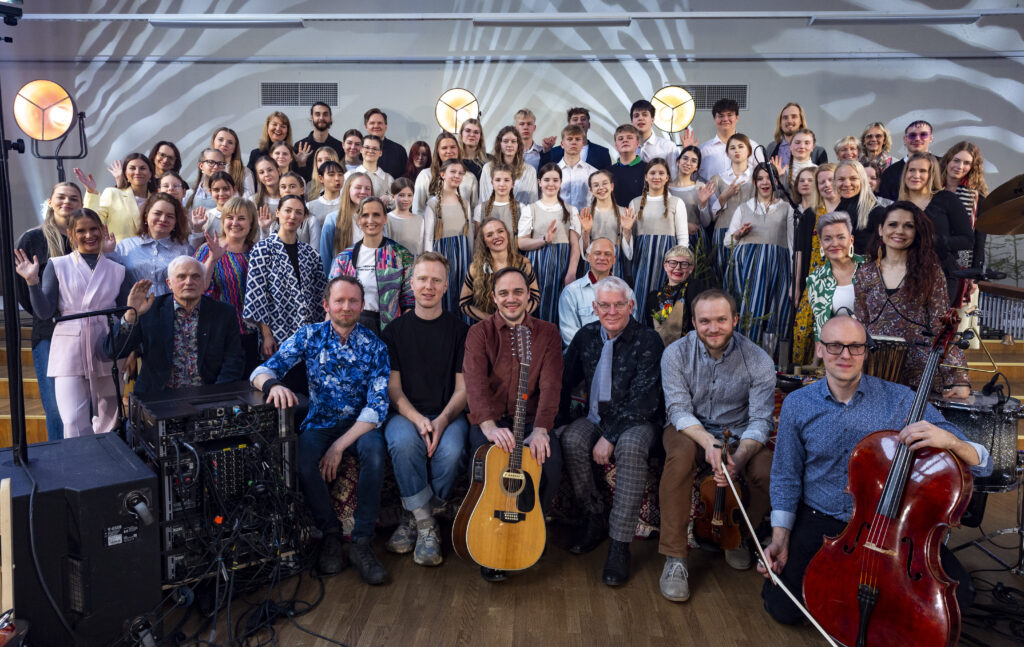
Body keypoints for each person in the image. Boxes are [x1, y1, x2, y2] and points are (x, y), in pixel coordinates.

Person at [760, 315, 991, 625]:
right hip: (821, 520)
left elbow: (981, 461)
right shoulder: (797, 404)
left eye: (855, 346)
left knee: (956, 604)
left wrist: (950, 441)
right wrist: (779, 539)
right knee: (783, 608)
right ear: (819, 350)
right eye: (835, 346)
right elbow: (786, 477)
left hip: (892, 527)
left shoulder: (900, 400)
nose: (845, 355)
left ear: (865, 352)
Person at [251, 275, 390, 583]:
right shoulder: (309, 335)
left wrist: (339, 447)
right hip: (320, 421)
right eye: (339, 300)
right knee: (301, 461)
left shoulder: (376, 346)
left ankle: (362, 542)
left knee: (376, 456)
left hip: (360, 426)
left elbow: (377, 405)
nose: (346, 306)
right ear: (326, 305)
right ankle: (329, 532)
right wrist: (274, 385)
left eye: (353, 301)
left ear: (362, 305)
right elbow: (261, 371)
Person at [658, 289, 775, 602]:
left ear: (734, 320)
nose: (713, 328)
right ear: (693, 323)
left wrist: (738, 455)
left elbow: (762, 420)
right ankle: (675, 557)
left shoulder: (758, 360)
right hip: (689, 429)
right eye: (705, 321)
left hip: (738, 433)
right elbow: (678, 410)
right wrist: (708, 443)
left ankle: (738, 538)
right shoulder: (675, 354)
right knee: (681, 457)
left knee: (766, 469)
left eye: (721, 320)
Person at [559, 276, 663, 586]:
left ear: (631, 305)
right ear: (594, 307)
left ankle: (619, 545)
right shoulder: (586, 336)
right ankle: (594, 517)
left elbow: (644, 401)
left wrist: (610, 436)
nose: (612, 311)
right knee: (572, 439)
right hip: (595, 416)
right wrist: (558, 419)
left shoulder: (648, 340)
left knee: (630, 447)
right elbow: (564, 380)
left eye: (619, 304)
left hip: (638, 421)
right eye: (604, 305)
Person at [462, 266, 564, 582]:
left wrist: (542, 430)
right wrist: (490, 428)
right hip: (491, 422)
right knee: (485, 465)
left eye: (518, 292)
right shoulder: (479, 333)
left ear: (529, 297)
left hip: (531, 420)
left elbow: (551, 386)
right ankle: (489, 537)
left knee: (550, 463)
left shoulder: (547, 333)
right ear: (493, 298)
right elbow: (475, 385)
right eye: (503, 293)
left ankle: (531, 528)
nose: (511, 299)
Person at [380, 253, 469, 566]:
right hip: (406, 414)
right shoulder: (393, 332)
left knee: (453, 450)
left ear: (446, 286)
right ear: (411, 283)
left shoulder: (461, 331)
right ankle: (427, 525)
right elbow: (393, 389)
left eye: (435, 280)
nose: (428, 286)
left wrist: (442, 422)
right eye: (422, 279)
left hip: (448, 413)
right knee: (404, 444)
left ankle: (413, 516)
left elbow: (463, 390)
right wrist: (418, 420)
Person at [17, 208, 135, 437]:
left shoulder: (118, 270)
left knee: (109, 417)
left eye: (93, 229)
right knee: (71, 419)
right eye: (81, 231)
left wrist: (130, 349)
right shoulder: (57, 264)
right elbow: (44, 312)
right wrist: (32, 281)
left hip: (107, 344)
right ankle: (81, 469)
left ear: (102, 230)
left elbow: (127, 314)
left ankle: (107, 467)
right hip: (69, 347)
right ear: (70, 234)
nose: (89, 235)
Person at [854, 201, 970, 396]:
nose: (900, 231)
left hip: (919, 375)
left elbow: (942, 328)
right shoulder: (865, 273)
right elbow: (861, 326)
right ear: (881, 230)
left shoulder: (931, 272)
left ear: (916, 232)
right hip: (875, 371)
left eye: (908, 226)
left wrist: (958, 378)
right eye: (893, 224)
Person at [108, 255, 244, 396]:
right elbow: (113, 351)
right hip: (159, 399)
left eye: (195, 277)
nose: (188, 282)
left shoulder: (223, 313)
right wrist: (130, 315)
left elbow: (233, 359)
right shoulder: (150, 310)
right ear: (169, 283)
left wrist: (217, 396)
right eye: (181, 277)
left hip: (207, 397)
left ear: (204, 282)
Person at [15, 182, 80, 440]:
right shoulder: (32, 239)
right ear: (51, 201)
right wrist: (48, 311)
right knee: (55, 410)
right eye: (61, 197)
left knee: (81, 411)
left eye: (73, 198)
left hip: (83, 333)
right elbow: (24, 294)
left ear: (81, 204)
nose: (67, 202)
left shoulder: (85, 235)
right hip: (48, 334)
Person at [244, 195, 327, 378]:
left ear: (304, 218)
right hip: (276, 332)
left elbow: (320, 295)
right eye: (288, 210)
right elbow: (257, 294)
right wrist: (266, 335)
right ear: (278, 213)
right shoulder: (262, 249)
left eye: (298, 212)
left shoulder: (310, 254)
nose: (292, 216)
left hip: (307, 334)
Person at [724, 163, 794, 352]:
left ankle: (771, 360)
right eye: (760, 178)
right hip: (747, 266)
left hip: (776, 267)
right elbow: (727, 242)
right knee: (749, 309)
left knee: (775, 312)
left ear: (776, 181)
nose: (765, 182)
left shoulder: (786, 208)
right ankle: (743, 354)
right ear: (754, 182)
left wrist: (793, 278)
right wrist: (738, 234)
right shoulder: (743, 207)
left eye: (769, 178)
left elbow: (791, 243)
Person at [329, 196, 414, 335]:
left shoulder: (401, 255)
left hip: (390, 329)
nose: (370, 220)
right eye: (365, 215)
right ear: (358, 220)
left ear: (385, 218)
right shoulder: (344, 258)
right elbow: (332, 299)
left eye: (376, 215)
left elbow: (410, 300)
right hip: (352, 328)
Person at [195, 196, 261, 372]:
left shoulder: (257, 251)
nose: (235, 223)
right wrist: (212, 260)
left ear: (251, 223)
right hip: (217, 333)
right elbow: (198, 289)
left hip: (251, 334)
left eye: (241, 218)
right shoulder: (207, 249)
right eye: (230, 218)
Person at [898, 152, 974, 300]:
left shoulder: (947, 199)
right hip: (904, 275)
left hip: (941, 274)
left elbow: (968, 240)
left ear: (931, 174)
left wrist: (935, 240)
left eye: (922, 171)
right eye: (911, 170)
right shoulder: (899, 206)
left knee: (936, 323)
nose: (915, 175)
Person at [623, 158, 689, 318]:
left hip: (668, 263)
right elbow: (629, 246)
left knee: (665, 305)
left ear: (667, 177)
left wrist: (679, 266)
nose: (656, 177)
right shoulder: (635, 203)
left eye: (661, 173)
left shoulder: (676, 202)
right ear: (646, 177)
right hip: (642, 262)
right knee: (640, 300)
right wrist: (626, 231)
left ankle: (663, 336)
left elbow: (683, 239)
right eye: (652, 173)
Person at [517, 163, 582, 323]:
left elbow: (575, 246)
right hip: (536, 266)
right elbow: (521, 243)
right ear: (539, 182)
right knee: (535, 308)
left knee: (559, 308)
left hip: (562, 266)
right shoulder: (530, 209)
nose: (551, 184)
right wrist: (544, 240)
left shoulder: (571, 210)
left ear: (560, 182)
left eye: (555, 180)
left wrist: (571, 272)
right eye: (546, 180)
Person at [110, 193, 193, 297]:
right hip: (132, 309)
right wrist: (107, 252)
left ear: (176, 221)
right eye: (157, 213)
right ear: (146, 215)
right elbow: (109, 278)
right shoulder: (125, 246)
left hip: (169, 309)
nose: (163, 219)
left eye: (170, 216)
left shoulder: (185, 250)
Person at [803, 211, 866, 345]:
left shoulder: (869, 267)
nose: (834, 243)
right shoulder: (815, 280)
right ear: (821, 243)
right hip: (836, 351)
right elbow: (820, 328)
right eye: (827, 239)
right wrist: (817, 363)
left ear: (851, 240)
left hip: (871, 349)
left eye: (841, 237)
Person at [460, 217, 539, 322]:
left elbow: (535, 298)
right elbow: (464, 304)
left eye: (500, 231)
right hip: (489, 328)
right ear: (484, 242)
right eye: (489, 235)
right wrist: (492, 320)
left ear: (507, 234)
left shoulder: (523, 264)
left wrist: (516, 316)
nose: (496, 236)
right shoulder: (476, 268)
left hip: (519, 325)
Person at [423, 159, 473, 316]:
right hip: (442, 254)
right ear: (443, 174)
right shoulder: (433, 203)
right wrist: (430, 263)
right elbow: (428, 238)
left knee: (461, 295)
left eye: (460, 173)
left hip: (462, 255)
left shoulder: (464, 203)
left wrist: (471, 260)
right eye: (453, 172)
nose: (457, 176)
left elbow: (469, 234)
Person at [75, 153, 157, 242]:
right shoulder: (113, 193)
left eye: (143, 168)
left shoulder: (157, 200)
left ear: (150, 174)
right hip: (120, 253)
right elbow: (93, 221)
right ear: (125, 174)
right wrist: (91, 191)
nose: (137, 172)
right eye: (132, 168)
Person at [707, 133, 755, 280]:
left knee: (746, 277)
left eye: (741, 146)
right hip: (723, 229)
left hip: (750, 230)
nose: (737, 151)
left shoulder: (757, 177)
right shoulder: (717, 178)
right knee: (722, 276)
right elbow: (710, 214)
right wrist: (724, 197)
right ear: (727, 153)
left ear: (748, 150)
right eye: (732, 148)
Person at [644, 245, 710, 346]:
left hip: (690, 348)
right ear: (665, 266)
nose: (677, 268)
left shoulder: (694, 287)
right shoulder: (654, 298)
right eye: (672, 263)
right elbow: (652, 331)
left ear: (691, 268)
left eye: (684, 264)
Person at [558, 237, 618, 347]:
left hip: (617, 357)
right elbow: (569, 336)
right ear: (588, 257)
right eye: (597, 253)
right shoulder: (571, 292)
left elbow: (630, 331)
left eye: (607, 254)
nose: (602, 258)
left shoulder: (625, 292)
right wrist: (597, 353)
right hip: (583, 358)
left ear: (614, 259)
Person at [319, 172, 373, 276]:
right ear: (348, 189)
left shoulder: (376, 220)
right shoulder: (333, 219)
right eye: (358, 187)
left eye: (367, 188)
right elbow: (325, 256)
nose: (363, 192)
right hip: (342, 280)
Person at [413, 132, 478, 216]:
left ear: (458, 149)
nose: (449, 151)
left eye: (452, 147)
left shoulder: (470, 178)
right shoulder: (425, 175)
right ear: (438, 151)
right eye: (444, 148)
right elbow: (418, 210)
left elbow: (474, 211)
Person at [699, 98, 760, 182]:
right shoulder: (703, 150)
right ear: (714, 119)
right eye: (721, 116)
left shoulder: (752, 146)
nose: (725, 119)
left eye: (729, 115)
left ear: (737, 118)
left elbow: (762, 174)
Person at [834, 160, 885, 255]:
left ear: (862, 180)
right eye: (841, 179)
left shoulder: (877, 211)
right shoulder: (837, 210)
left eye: (853, 178)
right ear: (835, 182)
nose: (847, 184)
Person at [479, 126, 539, 205]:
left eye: (513, 141)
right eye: (505, 141)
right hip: (492, 215)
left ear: (518, 145)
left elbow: (533, 202)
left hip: (522, 216)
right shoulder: (488, 168)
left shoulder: (530, 171)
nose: (509, 145)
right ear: (499, 144)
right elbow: (483, 199)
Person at [877, 120, 933, 200]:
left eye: (923, 134)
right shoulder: (890, 172)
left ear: (930, 138)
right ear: (905, 139)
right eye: (912, 135)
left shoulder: (943, 166)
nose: (917, 138)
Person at [542, 107, 612, 170]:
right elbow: (542, 175)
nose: (579, 122)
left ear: (589, 124)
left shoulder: (602, 153)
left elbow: (608, 178)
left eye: (583, 119)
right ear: (569, 125)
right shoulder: (554, 152)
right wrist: (546, 151)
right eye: (575, 119)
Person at [764, 103, 828, 168]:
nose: (789, 121)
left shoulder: (818, 151)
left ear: (801, 121)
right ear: (780, 123)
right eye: (785, 118)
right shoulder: (771, 148)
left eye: (794, 116)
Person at [246, 111, 310, 176]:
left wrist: (301, 164)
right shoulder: (256, 154)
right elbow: (249, 179)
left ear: (287, 131)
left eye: (283, 126)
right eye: (274, 124)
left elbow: (302, 182)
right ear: (267, 127)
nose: (278, 129)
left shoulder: (294, 154)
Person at [294, 102, 344, 180]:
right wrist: (301, 165)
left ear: (330, 118)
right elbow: (296, 179)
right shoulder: (300, 146)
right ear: (312, 117)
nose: (321, 118)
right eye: (317, 114)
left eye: (325, 114)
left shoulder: (339, 147)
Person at [474, 163, 524, 241]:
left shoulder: (521, 208)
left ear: (513, 184)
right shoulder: (481, 208)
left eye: (506, 180)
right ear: (492, 183)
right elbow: (478, 240)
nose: (502, 184)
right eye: (497, 180)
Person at [630, 99, 679, 178]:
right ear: (632, 121)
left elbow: (673, 178)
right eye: (636, 116)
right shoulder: (626, 147)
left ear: (652, 120)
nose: (640, 118)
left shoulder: (668, 147)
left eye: (645, 115)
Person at [556, 124, 597, 212]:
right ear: (562, 144)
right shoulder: (552, 172)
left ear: (582, 144)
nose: (573, 142)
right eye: (569, 139)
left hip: (585, 221)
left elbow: (597, 202)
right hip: (558, 221)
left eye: (577, 139)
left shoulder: (593, 173)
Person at [211, 127, 256, 198]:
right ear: (213, 142)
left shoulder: (245, 172)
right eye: (220, 140)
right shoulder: (206, 168)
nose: (224, 144)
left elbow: (249, 199)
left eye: (230, 142)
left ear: (235, 148)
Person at [364, 108, 407, 181]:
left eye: (380, 123)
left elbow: (405, 177)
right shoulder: (360, 149)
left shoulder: (399, 150)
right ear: (366, 127)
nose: (376, 126)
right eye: (372, 123)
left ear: (385, 126)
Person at [609, 124, 646, 207]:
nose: (625, 141)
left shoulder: (648, 170)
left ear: (637, 143)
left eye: (629, 137)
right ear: (616, 146)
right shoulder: (608, 172)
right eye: (620, 138)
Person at [387, 177, 425, 256]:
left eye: (409, 195)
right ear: (393, 197)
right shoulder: (387, 219)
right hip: (394, 265)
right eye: (401, 195)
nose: (406, 199)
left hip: (415, 264)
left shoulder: (420, 220)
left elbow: (421, 246)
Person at [182, 148, 228, 213]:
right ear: (201, 165)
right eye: (211, 162)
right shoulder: (188, 195)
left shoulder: (230, 194)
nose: (216, 167)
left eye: (220, 163)